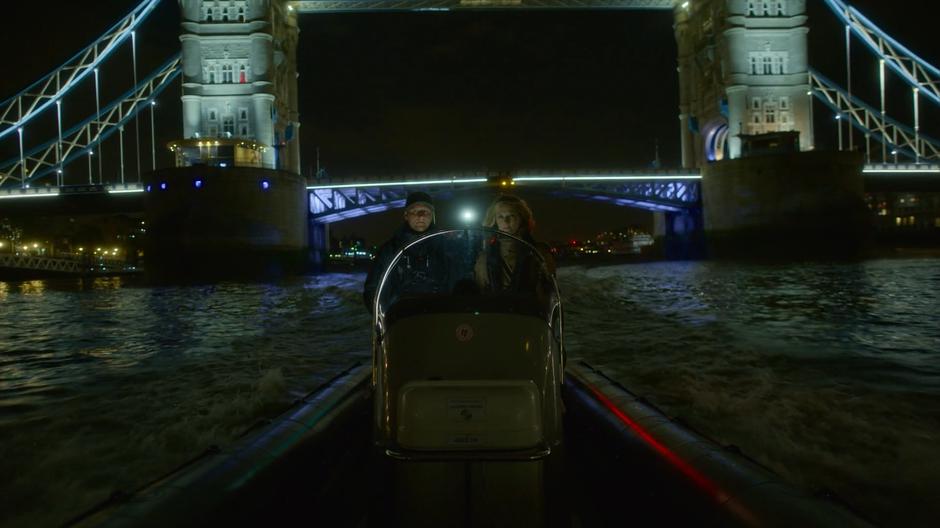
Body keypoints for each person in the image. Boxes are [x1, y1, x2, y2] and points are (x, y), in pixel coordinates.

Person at [362, 191, 445, 313]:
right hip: (402, 320)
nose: (421, 216)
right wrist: (383, 316)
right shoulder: (390, 250)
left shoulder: (445, 248)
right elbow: (373, 288)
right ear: (406, 216)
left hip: (438, 316)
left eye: (426, 212)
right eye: (415, 212)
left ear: (432, 216)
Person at [474, 194, 555, 293]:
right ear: (494, 220)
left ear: (521, 218)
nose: (506, 221)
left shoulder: (539, 252)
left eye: (511, 216)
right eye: (500, 217)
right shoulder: (484, 256)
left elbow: (550, 291)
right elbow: (481, 289)